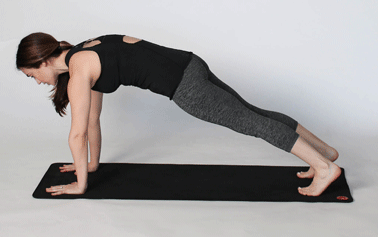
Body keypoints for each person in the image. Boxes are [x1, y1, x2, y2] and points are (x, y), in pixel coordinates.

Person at [16, 32, 341, 197]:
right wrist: (91, 165)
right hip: (190, 63)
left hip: (184, 85)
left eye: (32, 75)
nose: (37, 81)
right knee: (253, 113)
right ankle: (323, 151)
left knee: (250, 123)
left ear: (42, 62)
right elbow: (91, 121)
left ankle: (324, 168)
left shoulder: (78, 71)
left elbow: (76, 134)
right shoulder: (85, 51)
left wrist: (80, 185)